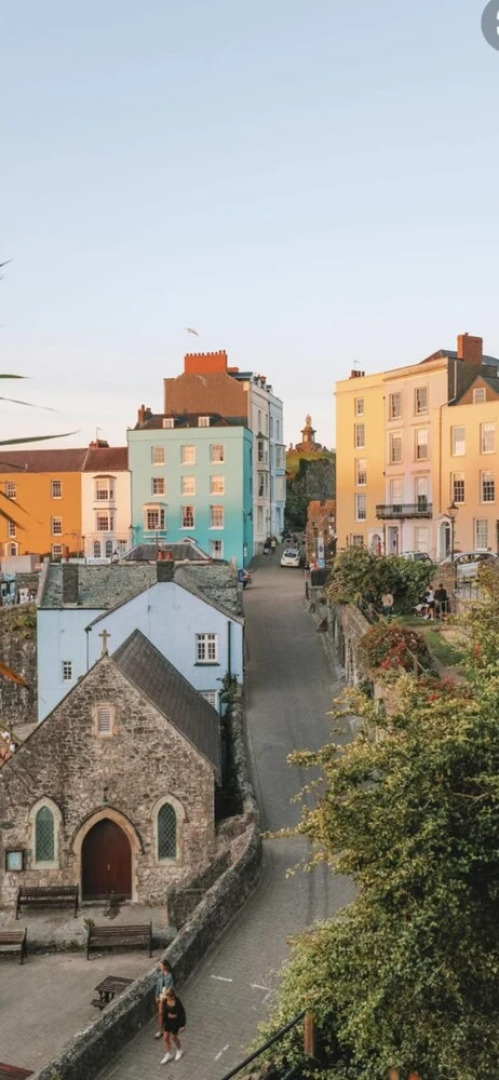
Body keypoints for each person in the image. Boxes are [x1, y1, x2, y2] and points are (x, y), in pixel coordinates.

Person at [161, 988, 186, 1064]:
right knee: (165, 1038)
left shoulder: (177, 1002)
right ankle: (168, 1054)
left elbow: (182, 1013)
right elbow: (164, 1012)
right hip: (168, 1022)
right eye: (167, 996)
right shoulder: (165, 1001)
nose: (168, 998)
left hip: (175, 1023)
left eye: (169, 997)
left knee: (174, 1037)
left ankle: (179, 1050)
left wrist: (182, 1025)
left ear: (172, 996)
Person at [154, 959, 174, 1039]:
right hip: (161, 996)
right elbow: (158, 986)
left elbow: (170, 987)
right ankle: (160, 1030)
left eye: (161, 966)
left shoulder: (169, 976)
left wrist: (166, 994)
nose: (160, 967)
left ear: (165, 966)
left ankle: (167, 1029)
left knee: (165, 1013)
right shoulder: (160, 975)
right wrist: (156, 996)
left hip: (167, 996)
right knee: (160, 1013)